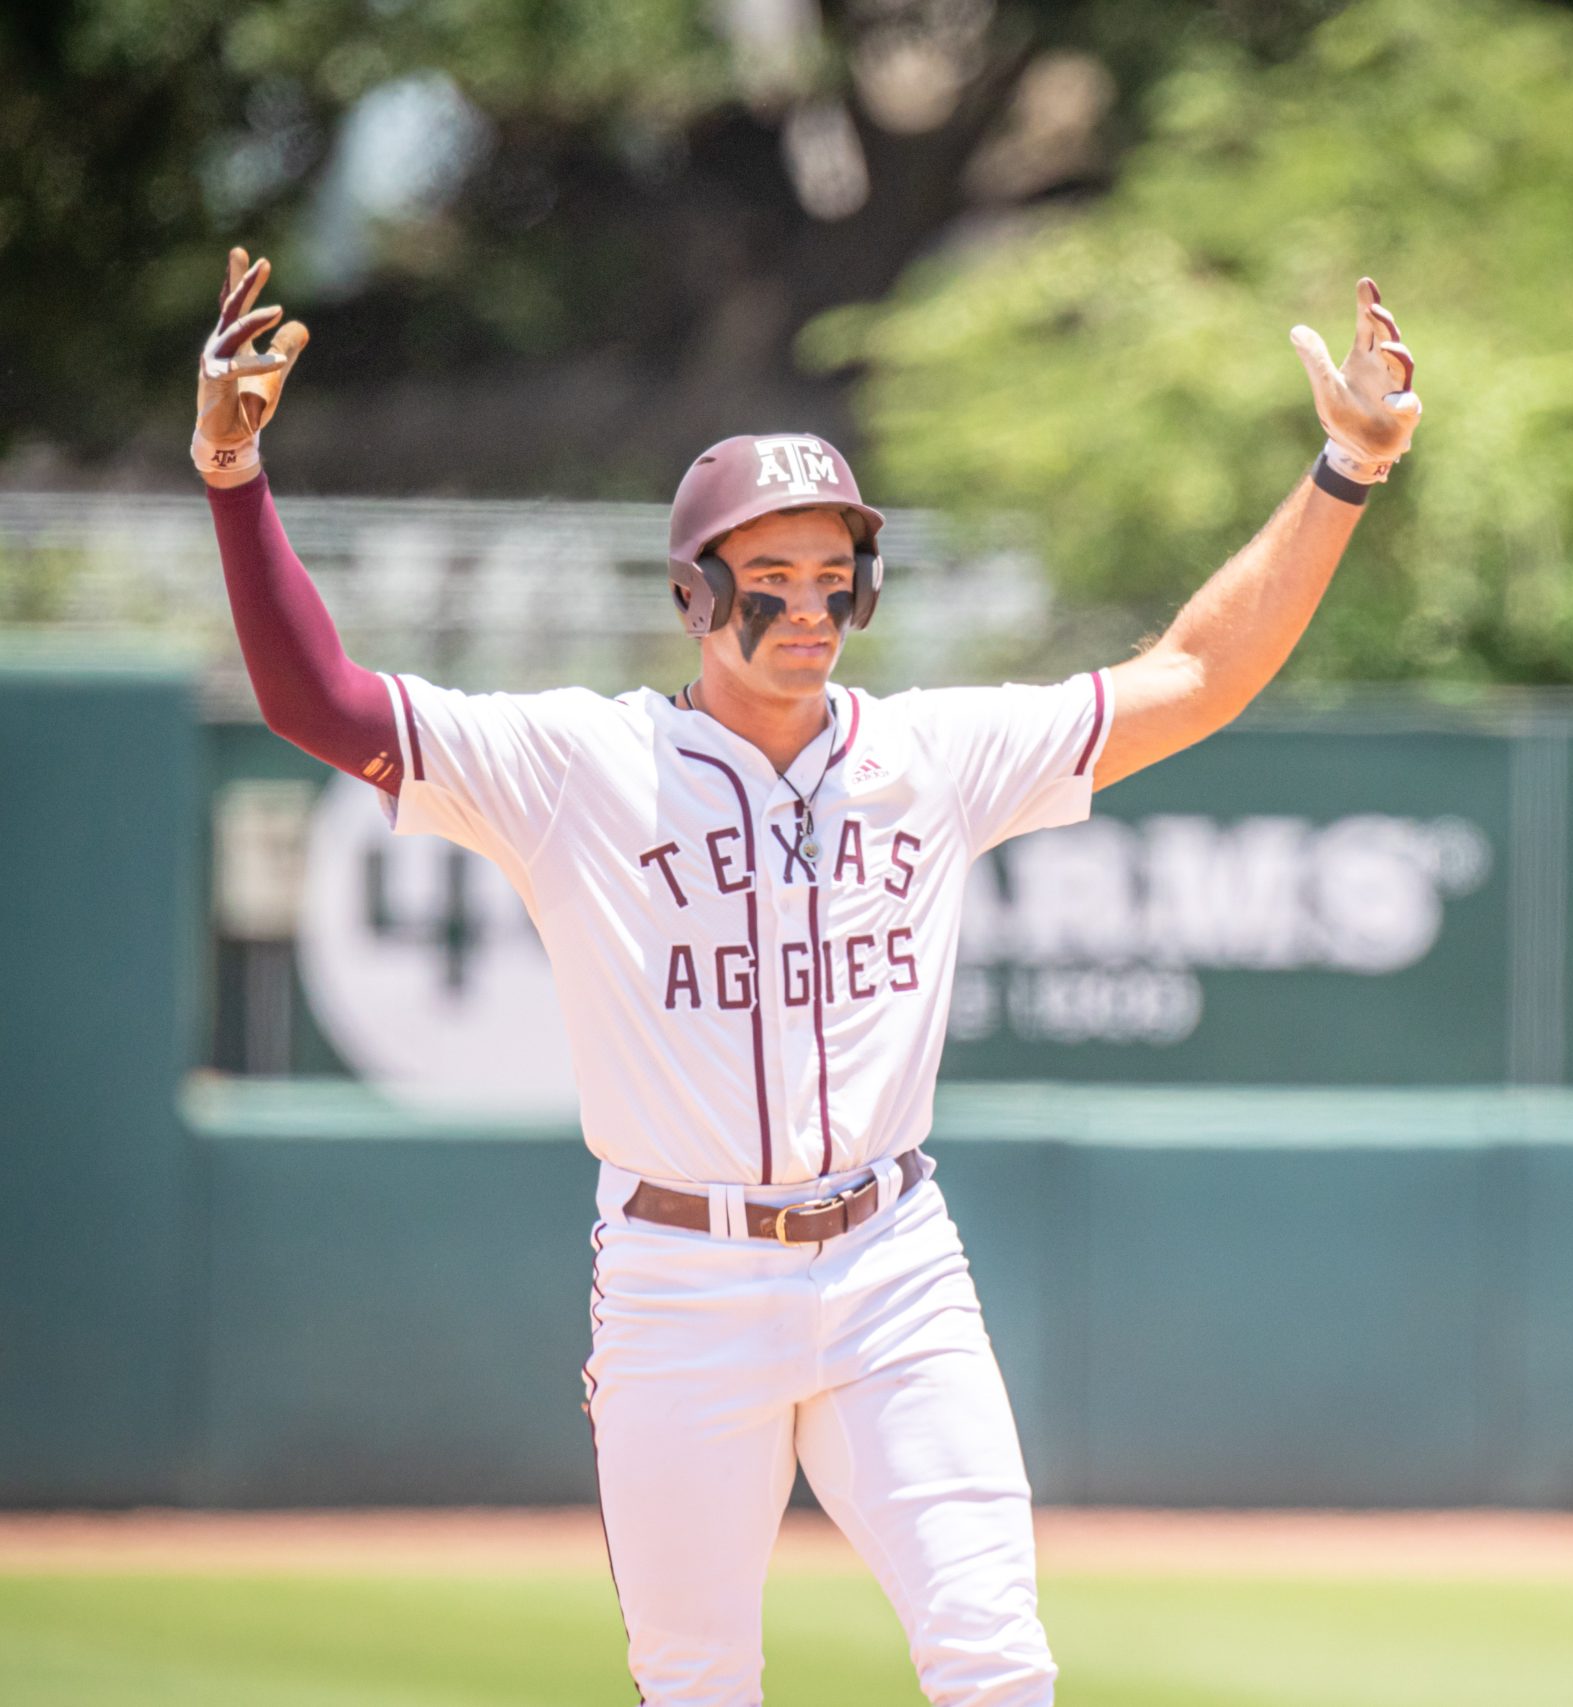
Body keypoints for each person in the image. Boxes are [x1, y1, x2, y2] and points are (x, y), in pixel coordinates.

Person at [196, 246, 1419, 1705]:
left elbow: (1195, 676)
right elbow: (314, 701)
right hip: (676, 1277)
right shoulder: (576, 767)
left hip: (893, 1261)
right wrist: (230, 473)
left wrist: (1345, 467)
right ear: (694, 592)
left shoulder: (929, 756)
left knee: (995, 1658)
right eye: (768, 576)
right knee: (697, 1679)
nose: (809, 605)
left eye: (834, 574)